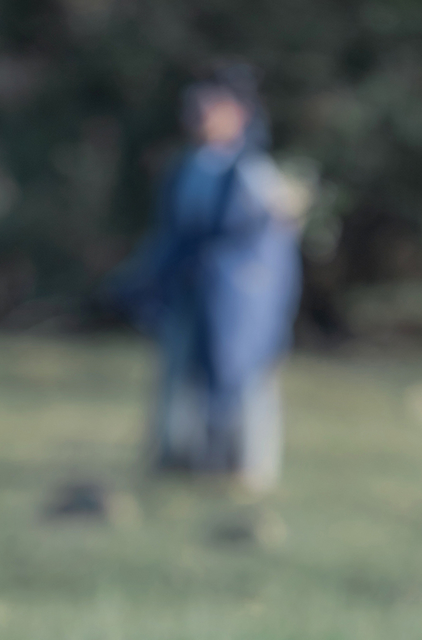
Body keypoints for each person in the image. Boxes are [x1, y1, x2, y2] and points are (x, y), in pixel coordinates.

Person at [113, 66, 303, 490]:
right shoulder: (184, 170)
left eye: (209, 106)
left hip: (236, 299)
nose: (198, 115)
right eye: (192, 106)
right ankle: (178, 461)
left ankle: (246, 468)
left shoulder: (257, 174)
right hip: (189, 290)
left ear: (239, 113)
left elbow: (267, 247)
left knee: (243, 378)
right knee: (179, 376)